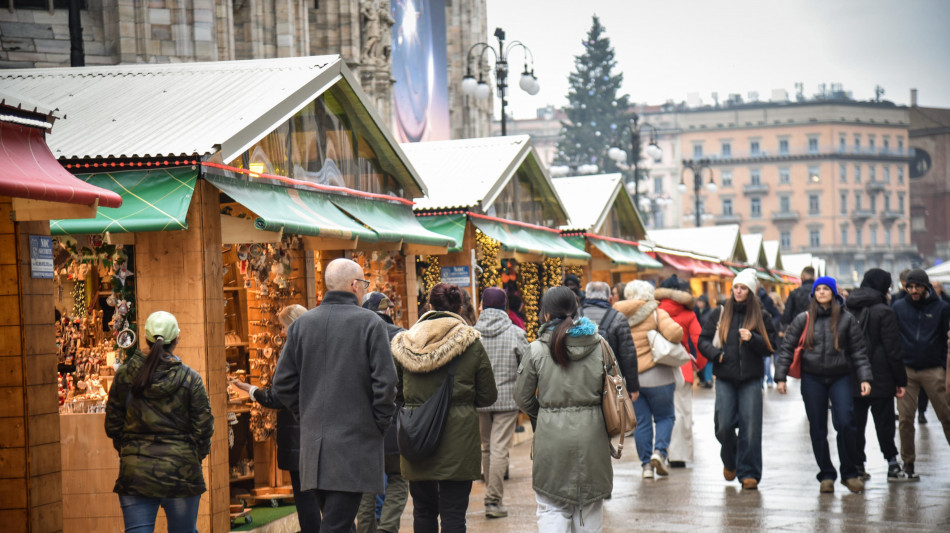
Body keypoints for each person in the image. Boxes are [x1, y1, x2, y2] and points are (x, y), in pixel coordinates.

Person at [272, 258, 397, 532]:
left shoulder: (302, 325)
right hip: (354, 445)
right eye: (364, 284)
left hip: (314, 448)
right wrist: (378, 424)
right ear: (354, 285)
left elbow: (282, 384)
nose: (364, 289)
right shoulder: (370, 323)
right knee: (337, 524)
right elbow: (386, 385)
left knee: (338, 521)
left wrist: (306, 414)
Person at [390, 283, 497, 532]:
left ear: (429, 306)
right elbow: (488, 395)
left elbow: (396, 391)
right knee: (454, 515)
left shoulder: (405, 342)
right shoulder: (471, 343)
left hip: (417, 438)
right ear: (459, 308)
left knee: (423, 511)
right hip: (458, 441)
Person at [104, 311, 213, 533]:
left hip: (136, 473)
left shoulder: (125, 375)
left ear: (145, 338)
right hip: (181, 472)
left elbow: (113, 425)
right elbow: (204, 427)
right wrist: (191, 454)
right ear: (176, 340)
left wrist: (129, 451)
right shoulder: (190, 378)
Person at [515, 286, 612, 532]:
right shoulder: (600, 346)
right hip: (593, 439)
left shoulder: (536, 349)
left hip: (551, 440)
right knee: (589, 507)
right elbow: (615, 392)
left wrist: (544, 414)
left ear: (545, 314)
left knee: (551, 506)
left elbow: (522, 397)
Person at [775, 276, 873, 493]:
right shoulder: (804, 319)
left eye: (825, 289)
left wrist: (865, 378)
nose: (821, 292)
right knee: (818, 427)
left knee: (846, 422)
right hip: (813, 378)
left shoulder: (847, 319)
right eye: (817, 289)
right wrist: (780, 377)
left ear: (833, 293)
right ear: (813, 294)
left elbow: (858, 351)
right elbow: (787, 347)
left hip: (840, 377)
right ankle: (826, 475)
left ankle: (849, 473)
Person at [232, 305, 321, 532]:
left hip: (298, 437)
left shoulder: (293, 354)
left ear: (294, 325)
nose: (281, 333)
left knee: (306, 498)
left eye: (283, 327)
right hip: (322, 435)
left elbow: (277, 397)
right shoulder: (321, 349)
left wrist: (251, 390)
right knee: (327, 498)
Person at [698, 269, 776, 490]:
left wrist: (753, 339)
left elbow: (771, 347)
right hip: (725, 376)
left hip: (751, 378)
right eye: (736, 287)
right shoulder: (719, 313)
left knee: (750, 428)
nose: (738, 291)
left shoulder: (761, 315)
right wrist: (715, 355)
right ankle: (730, 461)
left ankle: (749, 472)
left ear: (751, 292)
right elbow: (702, 341)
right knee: (723, 426)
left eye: (743, 288)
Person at [844, 269, 912, 482]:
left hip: (853, 375)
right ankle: (892, 464)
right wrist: (901, 380)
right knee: (884, 423)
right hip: (881, 377)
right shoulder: (884, 311)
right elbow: (893, 349)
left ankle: (857, 465)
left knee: (856, 423)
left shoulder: (847, 308)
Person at [614, 279, 683, 479]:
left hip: (632, 380)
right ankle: (659, 453)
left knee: (642, 423)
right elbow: (675, 333)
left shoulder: (618, 314)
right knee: (665, 417)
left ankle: (645, 466)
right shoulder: (655, 312)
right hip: (659, 375)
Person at [354, 292, 409, 533]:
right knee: (398, 479)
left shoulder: (356, 337)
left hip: (364, 425)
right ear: (388, 312)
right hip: (396, 421)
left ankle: (366, 529)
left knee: (367, 485)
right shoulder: (402, 338)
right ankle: (386, 529)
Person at [473, 287, 528, 519]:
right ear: (505, 306)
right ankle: (493, 500)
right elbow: (527, 366)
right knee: (499, 449)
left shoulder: (471, 333)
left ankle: (491, 496)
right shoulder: (516, 333)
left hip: (479, 400)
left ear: (482, 306)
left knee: (486, 447)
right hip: (506, 400)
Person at [891, 268, 950, 479]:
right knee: (906, 420)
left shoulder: (942, 308)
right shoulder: (898, 307)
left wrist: (943, 365)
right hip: (906, 369)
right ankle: (908, 464)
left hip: (933, 368)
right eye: (910, 287)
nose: (914, 290)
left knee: (947, 415)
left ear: (926, 287)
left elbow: (946, 338)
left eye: (917, 286)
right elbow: (893, 337)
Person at [656, 276, 706, 468]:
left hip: (658, 367)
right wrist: (699, 365)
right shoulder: (689, 314)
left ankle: (661, 451)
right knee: (683, 411)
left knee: (661, 414)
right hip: (682, 368)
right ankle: (678, 455)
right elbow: (699, 341)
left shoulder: (655, 312)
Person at [581, 281, 640, 397]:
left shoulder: (576, 316)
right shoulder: (618, 318)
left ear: (587, 295)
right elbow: (628, 355)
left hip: (582, 381)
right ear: (609, 297)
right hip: (611, 382)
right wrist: (633, 387)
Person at [780, 266, 816, 334]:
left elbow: (787, 315)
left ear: (803, 276)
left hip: (798, 329)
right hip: (815, 328)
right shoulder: (818, 292)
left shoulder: (795, 292)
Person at [758, 286, 782, 388]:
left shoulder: (765, 300)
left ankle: (770, 379)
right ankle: (764, 381)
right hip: (759, 336)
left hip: (772, 336)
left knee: (769, 360)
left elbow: (778, 317)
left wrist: (771, 325)